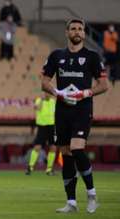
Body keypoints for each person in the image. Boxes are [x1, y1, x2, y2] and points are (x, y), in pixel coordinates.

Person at [41, 19, 108, 213]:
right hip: (62, 110)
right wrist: (57, 92)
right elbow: (44, 82)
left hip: (82, 109)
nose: (77, 31)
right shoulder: (56, 56)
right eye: (73, 28)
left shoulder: (92, 57)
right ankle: (71, 202)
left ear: (85, 34)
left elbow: (104, 85)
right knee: (66, 155)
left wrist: (84, 93)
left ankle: (92, 194)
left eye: (80, 29)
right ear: (67, 32)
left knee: (77, 149)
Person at [25, 92, 56, 176]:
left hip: (52, 127)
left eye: (49, 93)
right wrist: (42, 100)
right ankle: (30, 167)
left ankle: (49, 169)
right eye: (46, 93)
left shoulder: (53, 101)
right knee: (37, 147)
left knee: (53, 147)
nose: (47, 94)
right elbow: (37, 108)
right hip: (42, 127)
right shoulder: (39, 100)